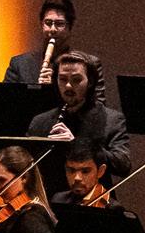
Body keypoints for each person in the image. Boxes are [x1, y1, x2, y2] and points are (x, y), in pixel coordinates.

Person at [26, 50, 133, 180]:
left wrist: (77, 144)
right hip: (51, 191)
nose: (68, 86)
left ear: (90, 82)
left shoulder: (112, 119)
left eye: (76, 80)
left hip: (93, 193)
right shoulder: (40, 121)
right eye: (63, 79)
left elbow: (123, 165)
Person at [4, 0, 77, 85]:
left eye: (59, 24)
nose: (53, 29)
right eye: (48, 23)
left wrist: (54, 88)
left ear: (70, 27)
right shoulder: (20, 65)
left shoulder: (85, 66)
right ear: (42, 25)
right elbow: (5, 94)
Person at [47, 145, 116, 210]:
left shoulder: (112, 208)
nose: (77, 178)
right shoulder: (57, 199)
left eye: (85, 171)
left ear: (100, 171)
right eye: (71, 170)